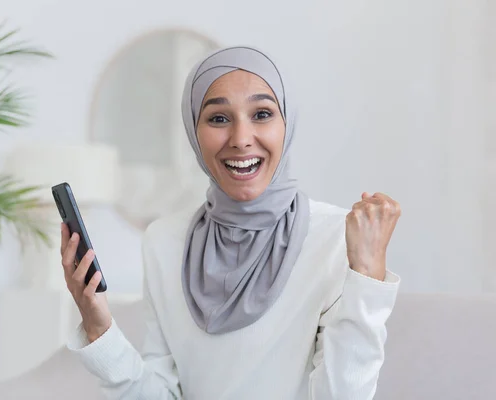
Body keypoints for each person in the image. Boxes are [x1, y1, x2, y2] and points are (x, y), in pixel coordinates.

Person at [61, 46, 401, 399]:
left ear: (288, 123)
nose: (240, 139)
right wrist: (98, 325)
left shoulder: (336, 239)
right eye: (219, 118)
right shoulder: (164, 241)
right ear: (194, 130)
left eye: (262, 114)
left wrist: (367, 277)